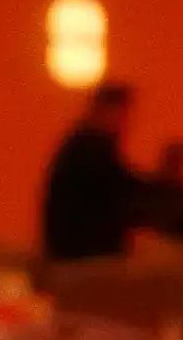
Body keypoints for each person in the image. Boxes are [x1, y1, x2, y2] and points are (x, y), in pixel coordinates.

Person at [39, 85, 145, 262]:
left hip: (75, 256)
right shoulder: (90, 151)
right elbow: (116, 194)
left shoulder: (81, 148)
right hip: (85, 259)